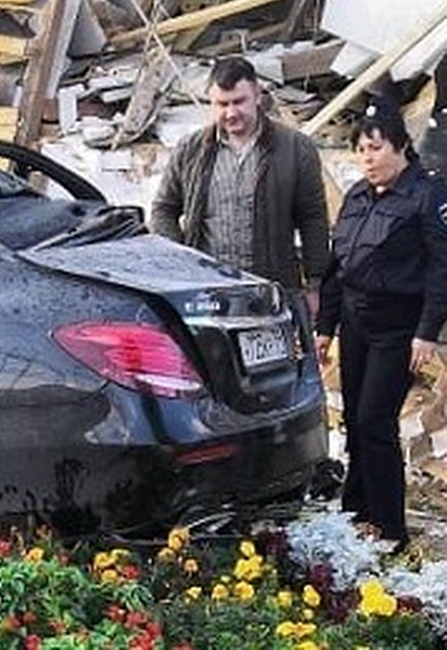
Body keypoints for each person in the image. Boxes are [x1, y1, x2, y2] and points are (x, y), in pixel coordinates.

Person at [315, 102, 447, 548]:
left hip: (398, 329)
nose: (367, 158)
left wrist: (427, 331)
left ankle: (391, 528)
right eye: (360, 150)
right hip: (355, 322)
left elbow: (440, 268)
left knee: (375, 419)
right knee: (354, 418)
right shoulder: (357, 197)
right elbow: (338, 267)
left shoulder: (427, 196)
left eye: (375, 148)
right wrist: (325, 326)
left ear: (402, 147)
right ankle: (357, 510)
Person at [149, 55, 330, 295]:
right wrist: (180, 261)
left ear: (257, 95)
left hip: (271, 290)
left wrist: (315, 285)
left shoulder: (295, 148)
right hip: (206, 292)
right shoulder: (190, 150)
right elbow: (163, 209)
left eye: (239, 101)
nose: (231, 113)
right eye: (222, 105)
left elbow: (313, 219)